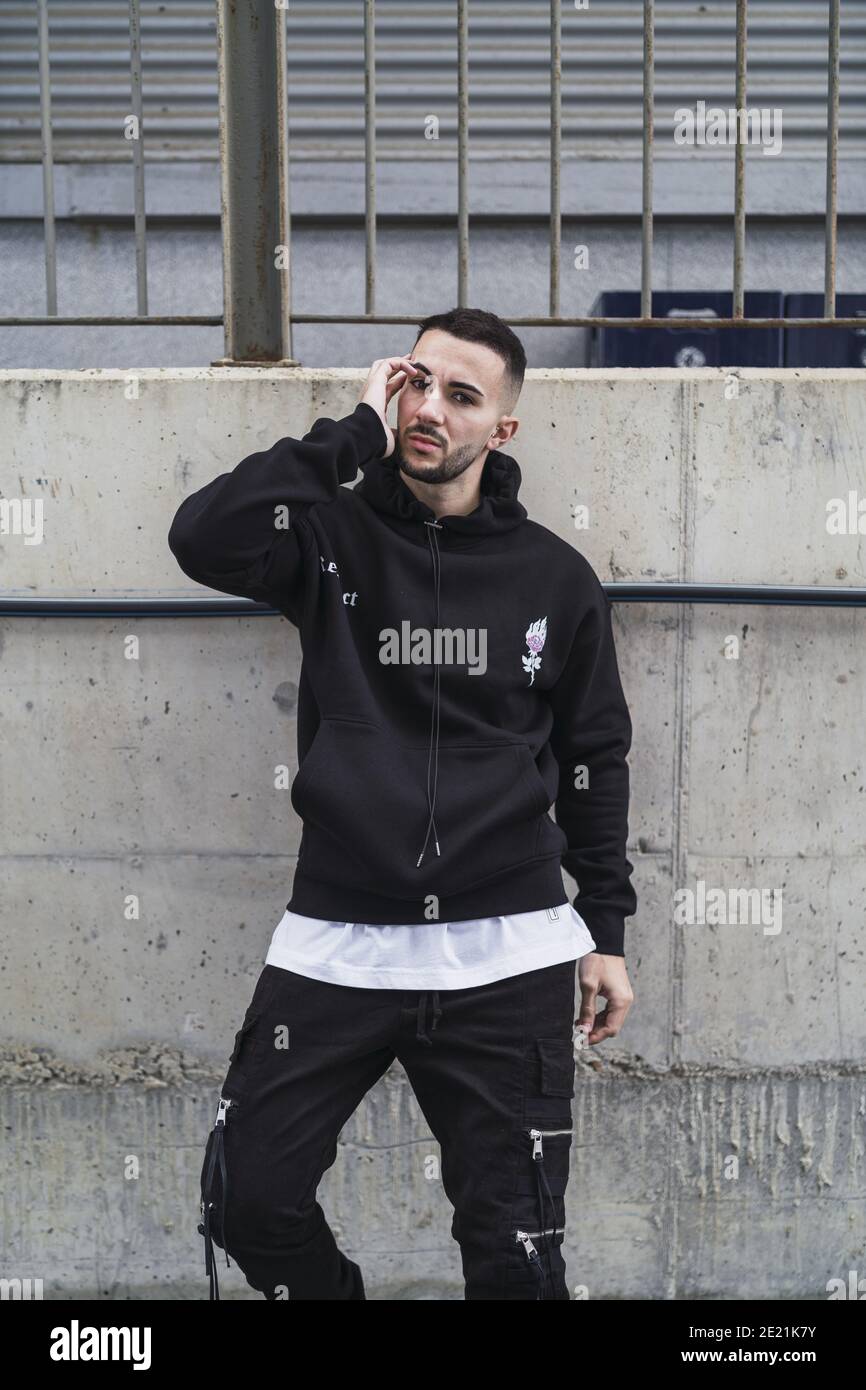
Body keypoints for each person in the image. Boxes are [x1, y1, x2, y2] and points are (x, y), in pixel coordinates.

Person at [167, 306, 637, 1301]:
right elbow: (201, 536)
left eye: (460, 396)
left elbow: (595, 755)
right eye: (414, 382)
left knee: (514, 1253)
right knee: (248, 1199)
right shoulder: (327, 538)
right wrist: (347, 432)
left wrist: (604, 928)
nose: (429, 408)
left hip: (504, 952)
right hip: (338, 940)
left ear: (499, 430)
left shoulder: (554, 577)